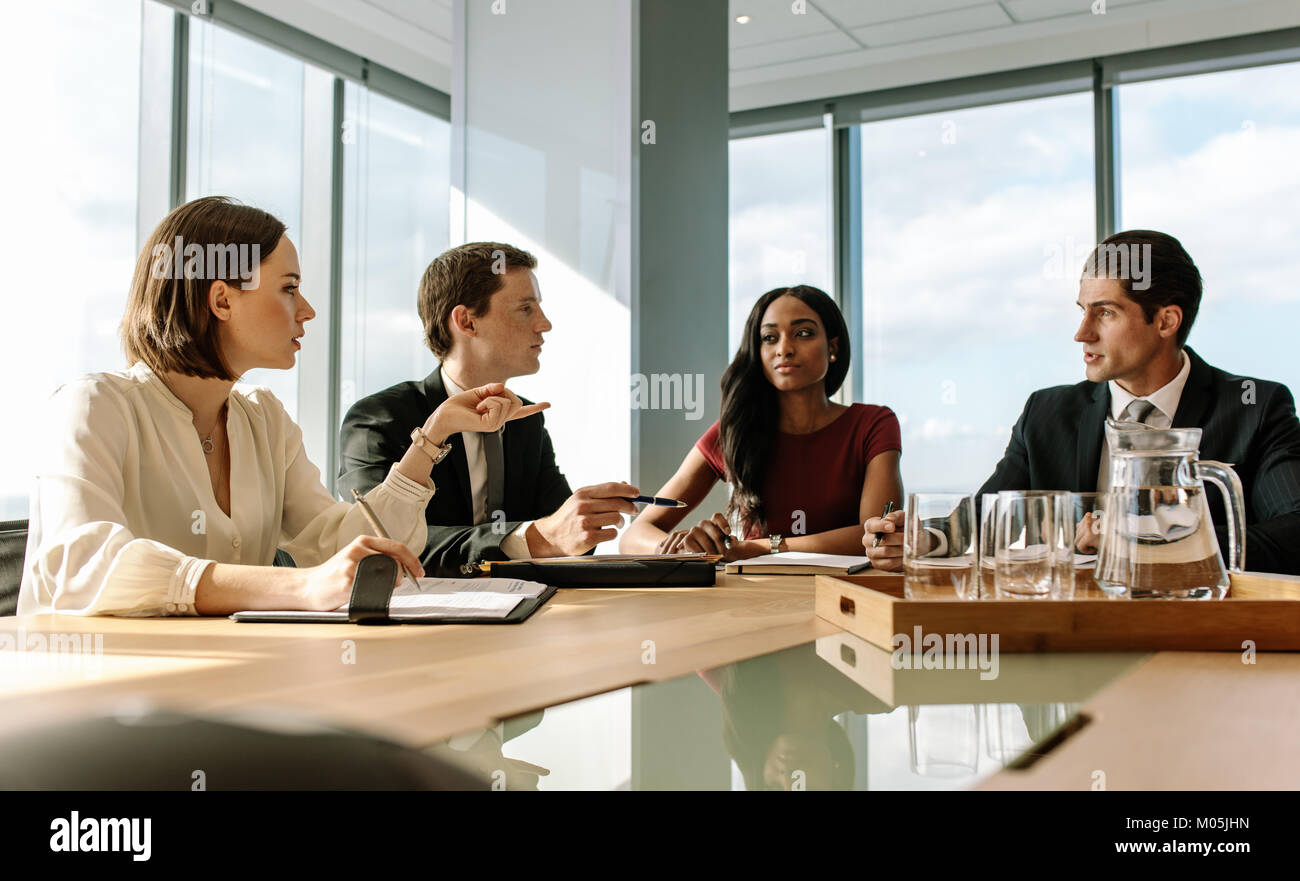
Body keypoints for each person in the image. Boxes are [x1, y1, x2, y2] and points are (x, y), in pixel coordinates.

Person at [20, 197, 543, 617]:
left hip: (229, 693)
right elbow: (81, 564)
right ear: (221, 300)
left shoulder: (262, 419)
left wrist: (432, 438)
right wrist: (297, 585)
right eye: (289, 289)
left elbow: (336, 540)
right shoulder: (94, 407)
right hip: (98, 716)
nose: (308, 310)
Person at [863, 230, 1300, 575]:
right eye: (1083, 310)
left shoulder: (1255, 407)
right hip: (1070, 640)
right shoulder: (1047, 414)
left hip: (1204, 641)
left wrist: (1142, 535)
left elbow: (1292, 533)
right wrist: (919, 540)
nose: (1082, 333)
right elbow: (983, 521)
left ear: (1166, 320)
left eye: (1105, 313)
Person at [338, 243, 639, 576]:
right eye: (526, 308)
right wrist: (531, 539)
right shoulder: (378, 420)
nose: (545, 324)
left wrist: (584, 520)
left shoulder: (526, 419)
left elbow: (561, 535)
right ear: (467, 322)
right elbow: (379, 539)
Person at [621, 285, 903, 560]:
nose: (784, 349)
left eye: (803, 333)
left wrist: (763, 547)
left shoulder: (873, 424)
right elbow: (634, 536)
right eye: (770, 337)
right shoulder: (734, 431)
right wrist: (676, 547)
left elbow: (879, 538)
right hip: (755, 598)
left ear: (833, 346)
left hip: (847, 595)